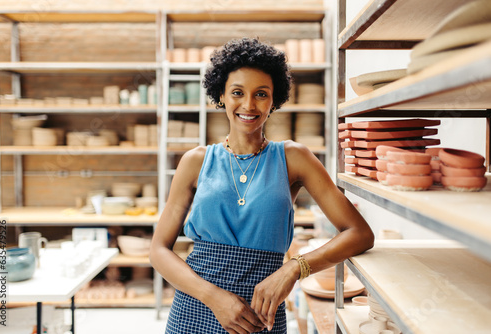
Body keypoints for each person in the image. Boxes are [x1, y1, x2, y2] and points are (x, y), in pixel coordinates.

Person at [150, 37, 374, 334]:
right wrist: (214, 298)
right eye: (238, 93)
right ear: (222, 95)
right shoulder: (195, 161)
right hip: (195, 309)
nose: (248, 105)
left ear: (274, 99)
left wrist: (294, 268)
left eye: (261, 94)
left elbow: (359, 234)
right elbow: (158, 251)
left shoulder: (295, 158)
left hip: (260, 316)